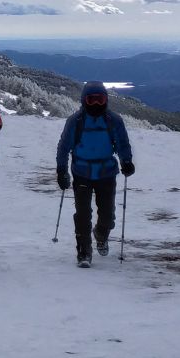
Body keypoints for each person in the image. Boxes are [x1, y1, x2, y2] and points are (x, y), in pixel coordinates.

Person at [55, 81, 135, 268]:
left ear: (106, 100)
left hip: (106, 173)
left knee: (107, 215)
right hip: (82, 173)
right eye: (92, 100)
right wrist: (61, 170)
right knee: (83, 214)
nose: (96, 104)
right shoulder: (75, 121)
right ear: (84, 100)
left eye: (101, 100)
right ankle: (84, 252)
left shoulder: (113, 121)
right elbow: (63, 147)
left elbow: (122, 143)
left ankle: (101, 234)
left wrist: (126, 161)